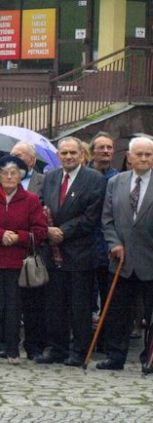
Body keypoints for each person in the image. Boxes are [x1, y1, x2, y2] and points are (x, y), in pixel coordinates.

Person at [37, 137, 106, 367]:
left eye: (72, 153)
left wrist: (63, 232)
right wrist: (47, 230)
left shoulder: (94, 179)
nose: (68, 157)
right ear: (58, 156)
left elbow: (91, 216)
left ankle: (79, 350)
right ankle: (56, 348)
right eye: (64, 153)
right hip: (52, 252)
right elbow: (40, 206)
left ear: (82, 155)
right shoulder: (50, 177)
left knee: (80, 306)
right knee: (54, 304)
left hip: (80, 252)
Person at [0, 155, 47, 364]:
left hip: (18, 261)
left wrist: (17, 237)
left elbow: (40, 231)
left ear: (21, 176)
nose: (9, 177)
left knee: (14, 306)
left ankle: (13, 350)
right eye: (5, 173)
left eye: (14, 173)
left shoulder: (30, 199)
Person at [99, 136, 153, 370]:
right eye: (139, 154)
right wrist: (114, 243)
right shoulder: (116, 182)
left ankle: (149, 358)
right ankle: (115, 356)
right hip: (121, 260)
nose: (143, 158)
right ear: (129, 157)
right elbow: (107, 219)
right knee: (118, 311)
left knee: (150, 315)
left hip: (150, 259)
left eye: (148, 154)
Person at [10, 140, 47, 358]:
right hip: (7, 248)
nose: (14, 158)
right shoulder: (2, 178)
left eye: (20, 155)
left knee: (34, 302)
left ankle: (34, 346)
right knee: (10, 301)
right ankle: (8, 343)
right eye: (12, 154)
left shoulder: (45, 181)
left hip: (33, 249)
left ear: (32, 160)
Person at [88, 132, 120, 324]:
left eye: (109, 148)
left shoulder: (119, 179)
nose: (106, 151)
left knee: (108, 295)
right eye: (102, 147)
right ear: (92, 152)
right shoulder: (83, 176)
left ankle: (105, 339)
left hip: (108, 247)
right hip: (84, 245)